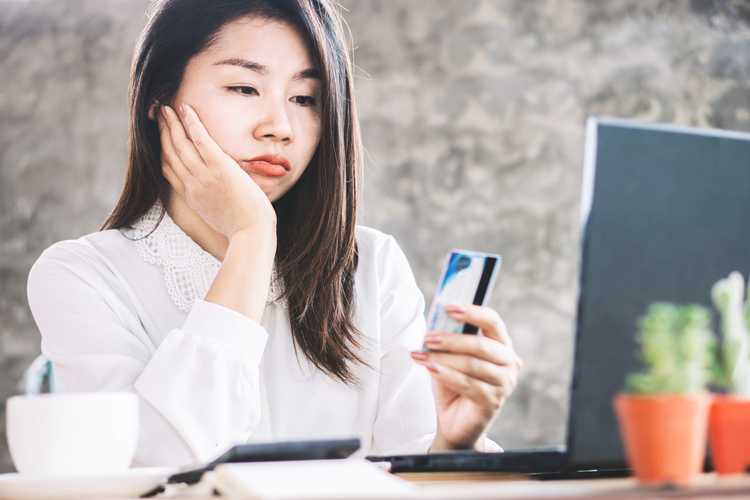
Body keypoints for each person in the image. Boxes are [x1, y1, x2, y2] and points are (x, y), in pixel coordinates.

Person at [26, 0, 523, 467]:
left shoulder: (371, 266)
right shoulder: (82, 276)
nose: (280, 126)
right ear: (159, 99)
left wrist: (457, 443)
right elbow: (160, 469)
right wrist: (251, 237)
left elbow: (414, 470)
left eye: (305, 98)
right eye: (244, 88)